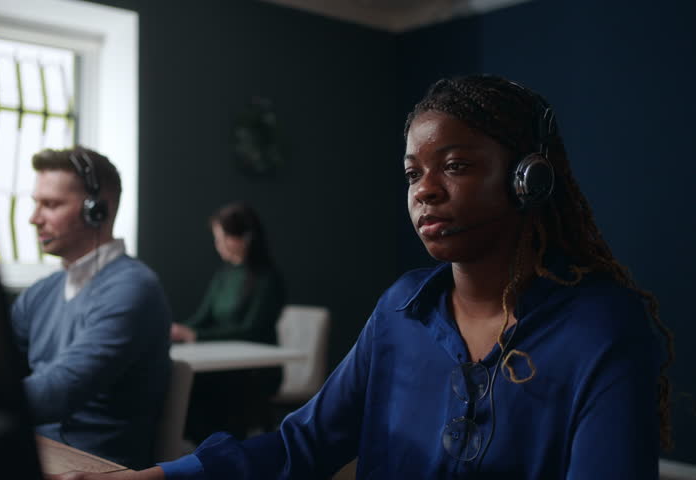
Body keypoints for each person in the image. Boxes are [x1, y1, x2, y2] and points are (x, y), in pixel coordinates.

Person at [45, 76, 674, 479]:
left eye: (455, 166)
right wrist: (155, 477)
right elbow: (301, 445)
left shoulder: (602, 327)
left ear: (527, 180)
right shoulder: (402, 309)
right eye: (412, 173)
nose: (424, 190)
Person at [12, 146, 172, 469]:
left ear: (97, 209)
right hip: (37, 452)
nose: (34, 218)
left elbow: (59, 393)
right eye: (36, 203)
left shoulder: (133, 288)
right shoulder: (41, 292)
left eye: (51, 204)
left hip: (96, 466)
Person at [170, 202, 285, 442]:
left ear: (243, 238)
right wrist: (180, 331)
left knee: (202, 388)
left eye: (222, 238)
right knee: (184, 382)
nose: (218, 244)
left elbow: (251, 331)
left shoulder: (267, 279)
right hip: (225, 366)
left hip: (255, 371)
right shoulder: (224, 274)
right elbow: (203, 317)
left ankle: (219, 450)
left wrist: (197, 336)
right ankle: (205, 449)